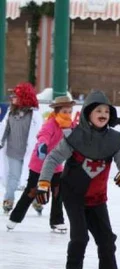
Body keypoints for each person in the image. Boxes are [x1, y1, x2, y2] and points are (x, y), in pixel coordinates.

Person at [36, 91, 120, 269]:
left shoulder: (113, 140)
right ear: (88, 113)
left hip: (97, 199)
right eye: (98, 110)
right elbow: (53, 158)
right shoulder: (73, 137)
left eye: (106, 111)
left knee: (107, 240)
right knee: (79, 238)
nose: (103, 114)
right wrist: (43, 182)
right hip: (73, 195)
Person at [7, 96, 77, 232]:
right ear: (57, 111)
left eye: (70, 111)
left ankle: (57, 221)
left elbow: (78, 137)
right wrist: (42, 145)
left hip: (56, 164)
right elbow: (43, 135)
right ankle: (15, 218)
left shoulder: (71, 125)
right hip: (40, 163)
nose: (68, 114)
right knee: (31, 191)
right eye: (65, 111)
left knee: (58, 192)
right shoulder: (51, 123)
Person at [0, 83, 42, 214]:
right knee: (13, 176)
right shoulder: (11, 112)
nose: (12, 97)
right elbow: (5, 128)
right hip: (13, 150)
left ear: (24, 97)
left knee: (33, 178)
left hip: (30, 153)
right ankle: (8, 199)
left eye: (15, 95)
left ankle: (36, 201)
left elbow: (40, 132)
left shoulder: (34, 115)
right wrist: (1, 141)